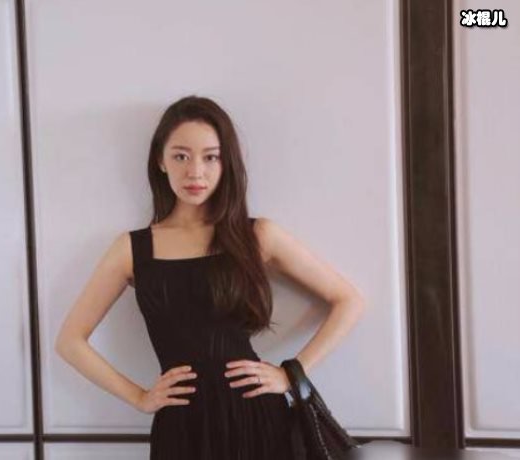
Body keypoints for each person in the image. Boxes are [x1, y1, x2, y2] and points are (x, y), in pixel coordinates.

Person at [55, 95, 366, 459]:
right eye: (181, 156)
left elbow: (349, 301)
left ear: (226, 162)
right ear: (160, 161)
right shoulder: (132, 249)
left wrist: (291, 373)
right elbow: (69, 341)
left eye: (210, 157)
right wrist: (139, 397)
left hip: (257, 418)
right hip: (181, 425)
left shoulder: (257, 235)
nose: (195, 172)